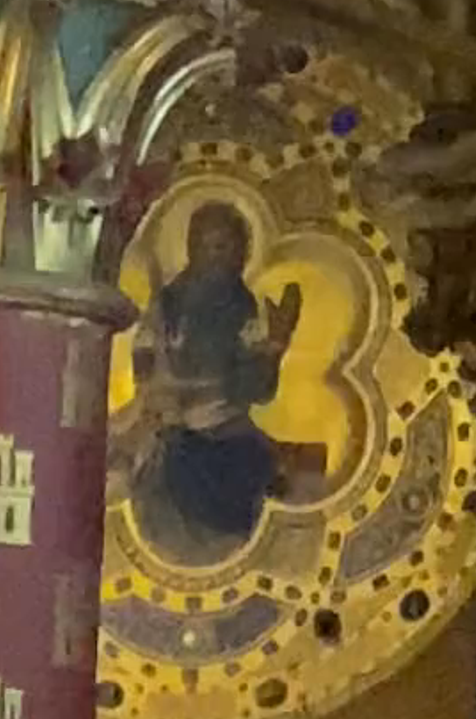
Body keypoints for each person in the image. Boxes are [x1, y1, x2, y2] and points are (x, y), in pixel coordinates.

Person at [123, 196, 332, 565]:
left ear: (243, 254)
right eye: (208, 247)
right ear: (191, 250)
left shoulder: (241, 307)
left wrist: (275, 347)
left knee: (274, 473)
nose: (218, 258)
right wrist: (153, 383)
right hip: (176, 427)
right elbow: (145, 349)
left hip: (224, 425)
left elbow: (256, 388)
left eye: (227, 248)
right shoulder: (169, 303)